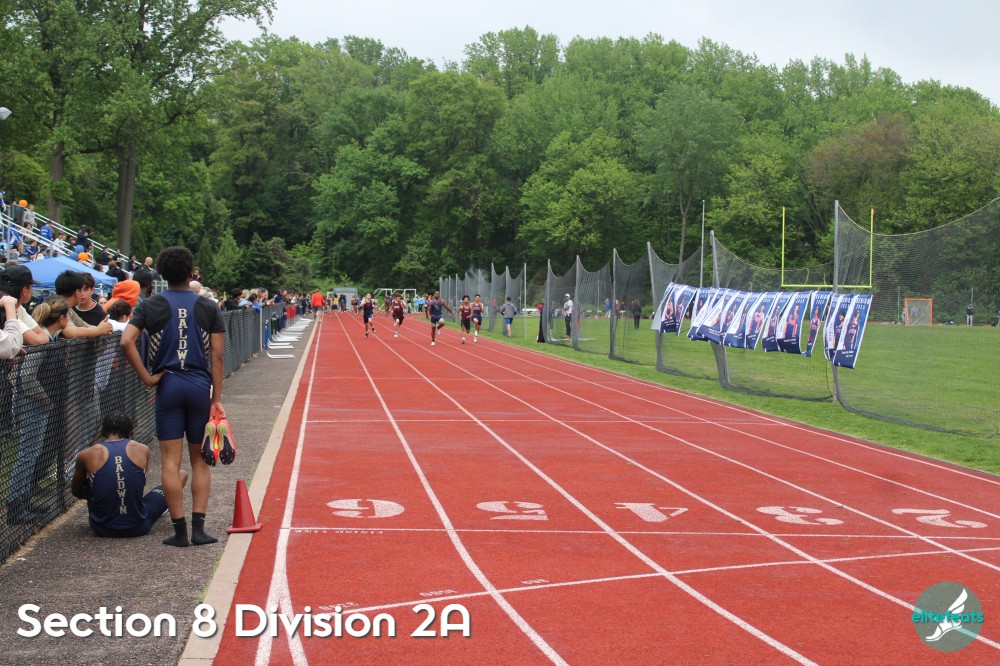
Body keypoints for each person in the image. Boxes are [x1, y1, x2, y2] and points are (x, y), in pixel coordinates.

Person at [121, 246, 226, 547]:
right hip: (198, 385)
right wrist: (216, 399)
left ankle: (179, 532)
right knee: (200, 461)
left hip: (167, 384)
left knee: (170, 461)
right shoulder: (208, 306)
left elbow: (126, 341)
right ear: (192, 273)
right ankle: (199, 529)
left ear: (162, 275)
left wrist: (147, 377)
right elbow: (217, 355)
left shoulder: (150, 305)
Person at [6, 296, 71, 523]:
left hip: (38, 403)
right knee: (27, 453)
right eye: (68, 315)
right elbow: (27, 376)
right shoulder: (42, 340)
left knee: (32, 453)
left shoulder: (48, 338)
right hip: (32, 403)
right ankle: (15, 505)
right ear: (61, 318)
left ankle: (23, 500)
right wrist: (43, 397)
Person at [72, 413, 189, 538]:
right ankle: (161, 507)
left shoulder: (87, 454)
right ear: (130, 431)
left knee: (91, 480)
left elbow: (76, 491)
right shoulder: (143, 450)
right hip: (139, 526)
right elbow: (138, 484)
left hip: (102, 528)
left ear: (102, 430)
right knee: (182, 475)